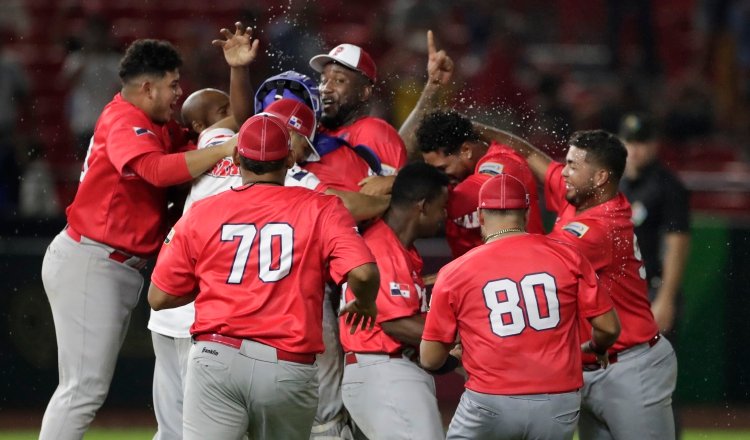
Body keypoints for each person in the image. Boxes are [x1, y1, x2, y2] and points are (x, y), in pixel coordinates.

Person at [38, 29, 255, 440]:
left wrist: (237, 72)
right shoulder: (123, 119)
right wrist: (222, 151)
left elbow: (235, 123)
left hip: (111, 263)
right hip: (92, 259)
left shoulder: (156, 124)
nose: (178, 93)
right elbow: (154, 169)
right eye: (173, 85)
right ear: (148, 86)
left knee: (83, 388)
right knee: (82, 390)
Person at [147, 113, 380, 440]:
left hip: (217, 355)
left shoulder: (204, 210)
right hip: (286, 363)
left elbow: (159, 297)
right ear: (290, 158)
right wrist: (366, 303)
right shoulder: (322, 208)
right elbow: (365, 272)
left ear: (237, 156)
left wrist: (215, 284)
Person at [496, 128, 678, 439]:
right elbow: (527, 153)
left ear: (600, 178)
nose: (563, 171)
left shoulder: (601, 227)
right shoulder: (578, 199)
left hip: (629, 366)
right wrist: (474, 128)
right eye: (565, 162)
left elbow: (535, 267)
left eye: (573, 166)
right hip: (591, 363)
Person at [421, 173, 621, 440]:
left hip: (490, 402)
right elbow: (608, 328)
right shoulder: (568, 256)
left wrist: (458, 356)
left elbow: (430, 358)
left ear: (480, 215)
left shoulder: (455, 271)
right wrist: (596, 348)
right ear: (526, 213)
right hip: (556, 402)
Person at [146, 23, 258, 440]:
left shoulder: (205, 154)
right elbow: (245, 116)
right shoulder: (213, 142)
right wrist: (237, 71)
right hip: (195, 302)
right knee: (202, 424)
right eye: (223, 106)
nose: (233, 110)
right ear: (204, 121)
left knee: (178, 425)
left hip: (179, 304)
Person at [339, 162, 449, 440]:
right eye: (441, 206)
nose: (444, 215)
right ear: (422, 206)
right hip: (383, 371)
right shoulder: (380, 247)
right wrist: (463, 340)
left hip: (389, 372)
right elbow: (396, 323)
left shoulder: (400, 249)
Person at [414, 110, 545, 257]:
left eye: (442, 168)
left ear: (466, 150)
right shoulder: (455, 179)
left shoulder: (505, 161)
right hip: (478, 273)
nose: (439, 177)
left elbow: (476, 192)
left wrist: (423, 201)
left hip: (523, 266)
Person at [619, 113, 691, 334]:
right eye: (630, 142)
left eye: (641, 142)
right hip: (617, 292)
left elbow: (677, 243)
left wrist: (666, 298)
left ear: (654, 144)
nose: (635, 149)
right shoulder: (614, 183)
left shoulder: (668, 186)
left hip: (652, 290)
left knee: (653, 366)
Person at [308, 43, 408, 194]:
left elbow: (396, 202)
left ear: (364, 92)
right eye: (323, 80)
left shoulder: (373, 132)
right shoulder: (316, 130)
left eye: (339, 80)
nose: (325, 89)